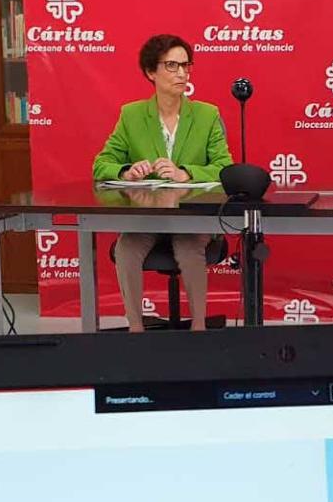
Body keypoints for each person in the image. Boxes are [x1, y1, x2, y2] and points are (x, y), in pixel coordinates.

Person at [92, 34, 234, 332]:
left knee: (187, 247)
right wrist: (127, 170)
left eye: (186, 65)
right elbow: (101, 165)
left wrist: (187, 172)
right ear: (151, 72)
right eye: (172, 65)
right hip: (148, 218)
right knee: (126, 248)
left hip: (191, 218)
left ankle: (198, 329)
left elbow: (225, 168)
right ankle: (136, 330)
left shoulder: (207, 115)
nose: (182, 73)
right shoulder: (131, 115)